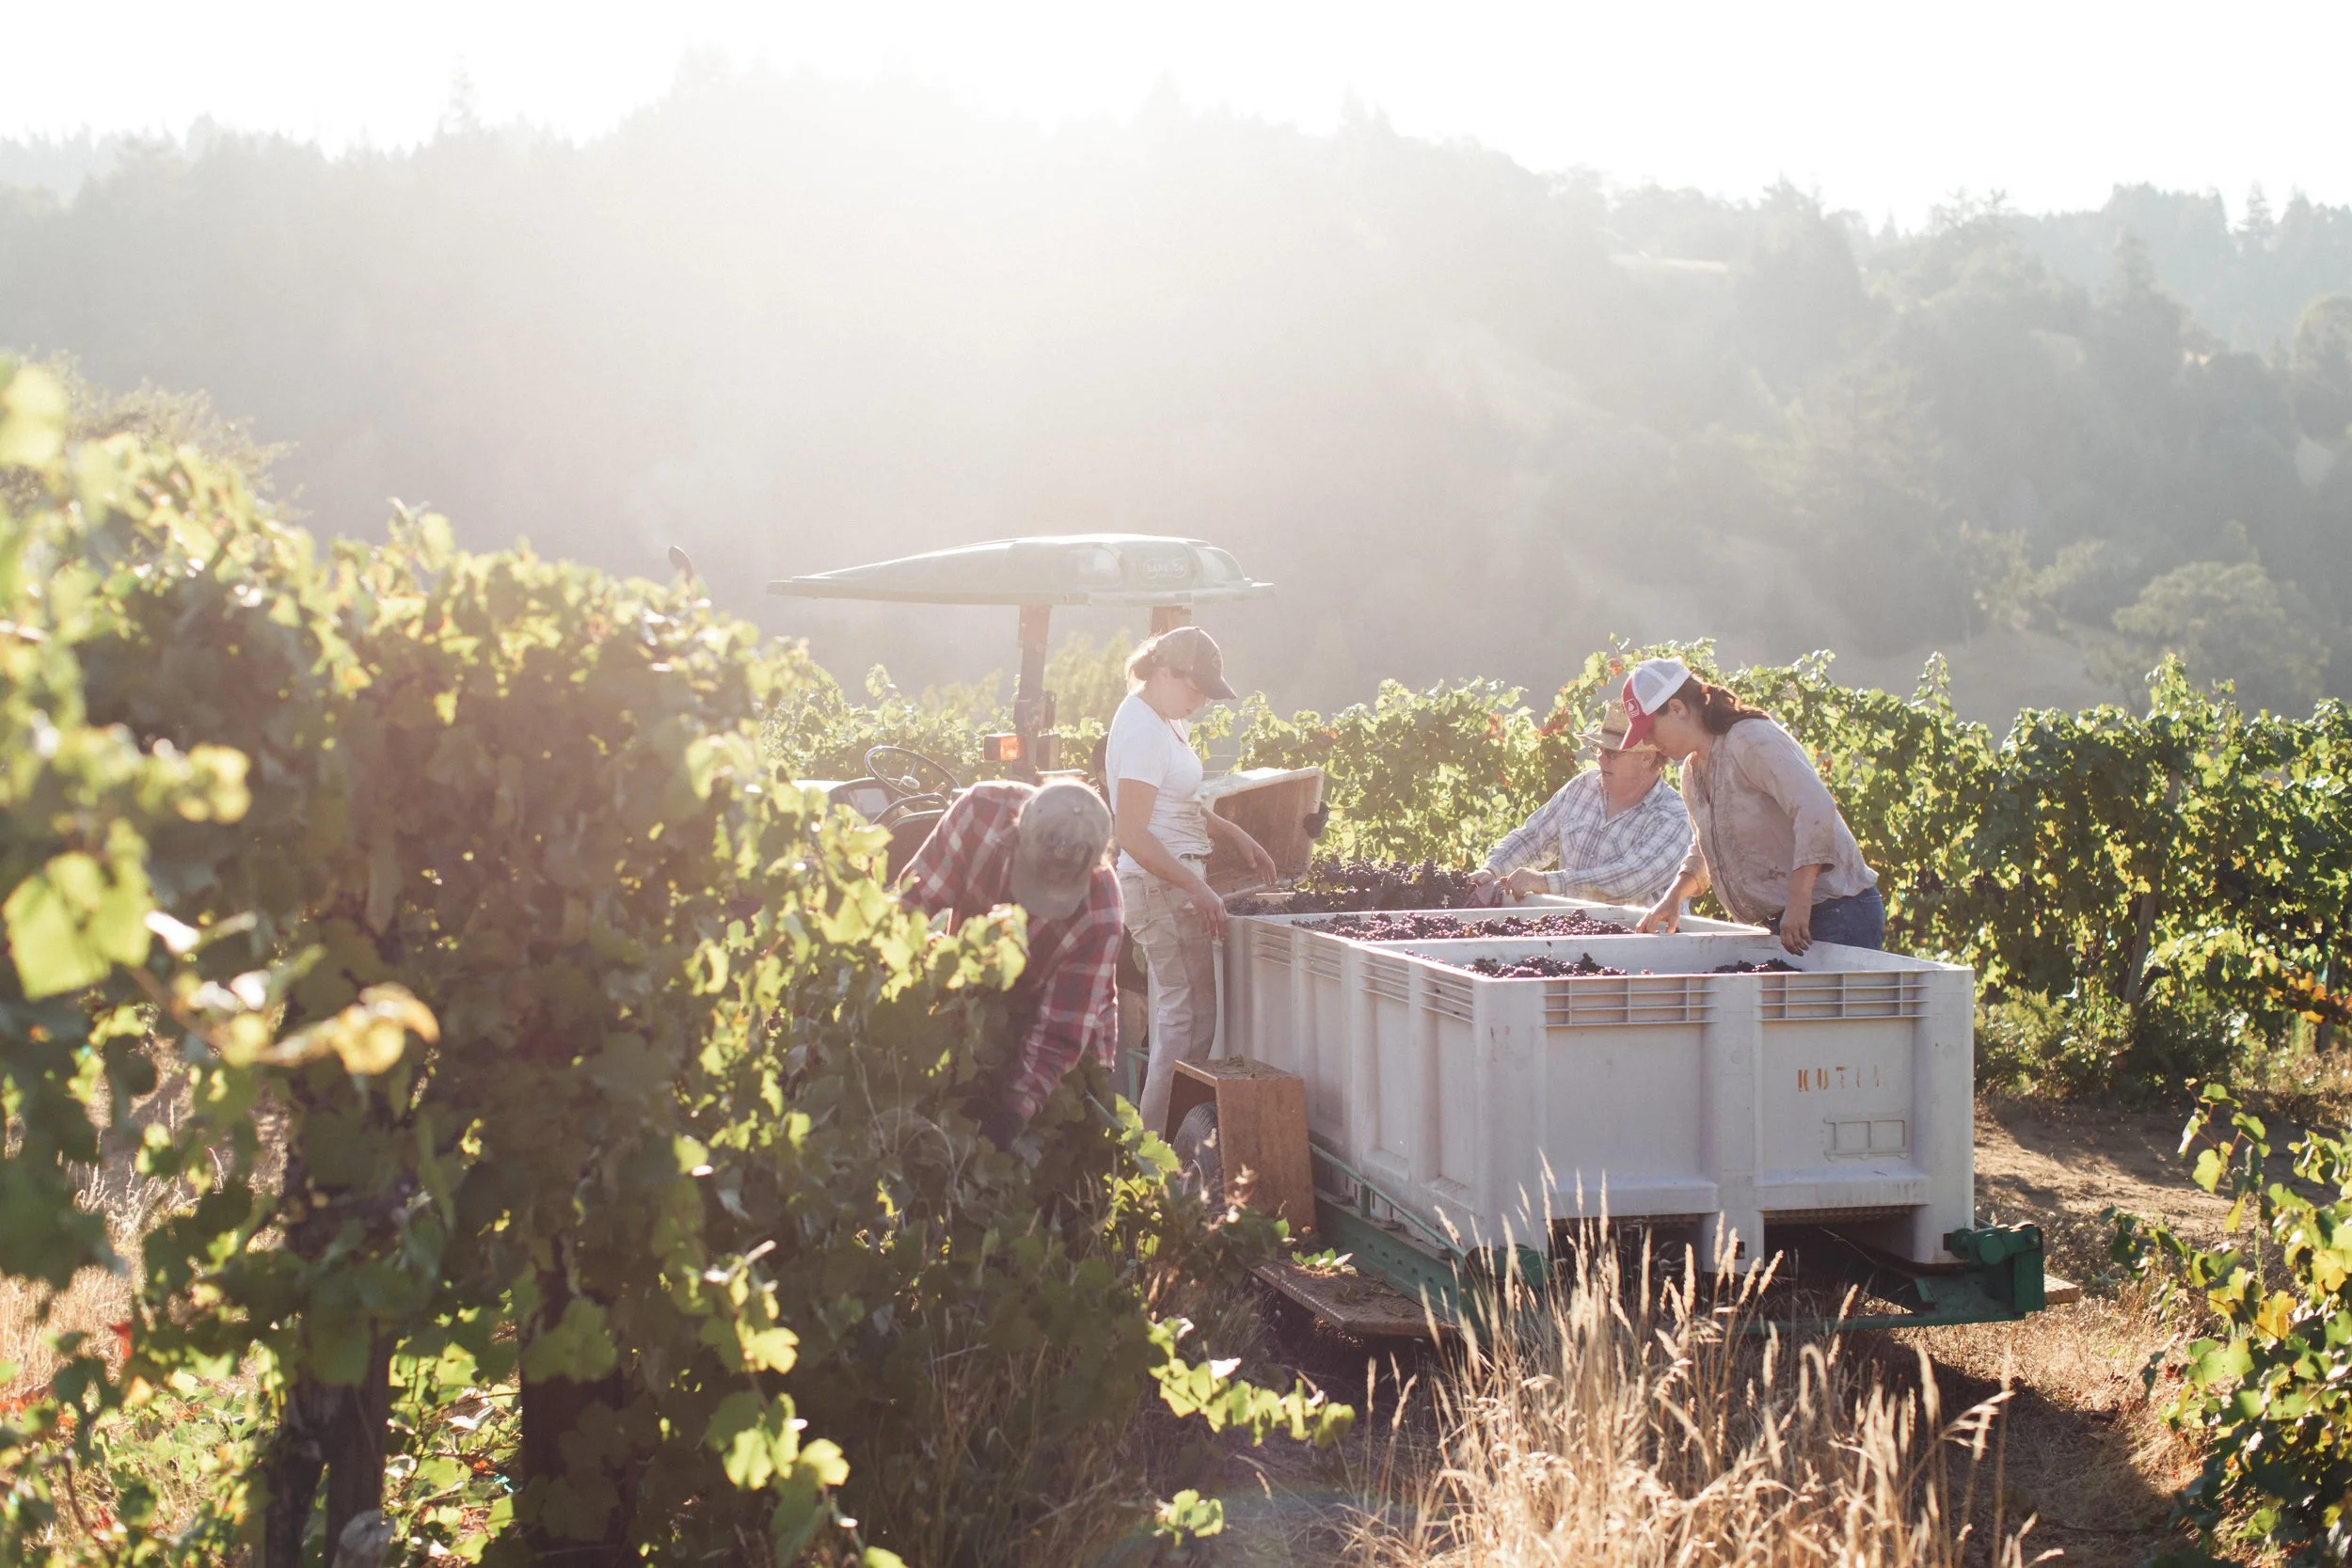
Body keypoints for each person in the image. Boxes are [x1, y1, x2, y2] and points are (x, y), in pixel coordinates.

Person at [1106, 625, 1278, 1135]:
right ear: (1163, 673)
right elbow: (1132, 832)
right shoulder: (1140, 729)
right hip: (1157, 887)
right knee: (1182, 1023)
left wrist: (1232, 833)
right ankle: (1154, 1155)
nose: (1202, 700)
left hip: (1174, 884)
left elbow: (1177, 804)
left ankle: (1173, 1142)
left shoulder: (1165, 720)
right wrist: (1194, 885)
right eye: (1196, 688)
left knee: (1198, 1020)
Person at [898, 778, 1123, 1146]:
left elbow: (1058, 1033)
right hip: (967, 1010)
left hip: (1067, 1033)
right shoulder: (980, 811)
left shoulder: (1101, 914)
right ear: (1016, 833)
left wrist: (1012, 1114)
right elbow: (911, 905)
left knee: (1065, 1164)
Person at [1622, 657, 1884, 954]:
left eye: (1649, 729)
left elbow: (1815, 809)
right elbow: (1708, 847)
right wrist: (1673, 897)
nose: (1647, 740)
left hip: (1833, 914)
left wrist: (1798, 902)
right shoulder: (1693, 773)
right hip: (1785, 923)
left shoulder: (1749, 739)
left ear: (1677, 709)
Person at [1469, 703, 1691, 907]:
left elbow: (1628, 879)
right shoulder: (1582, 787)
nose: (1601, 759)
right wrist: (1493, 869)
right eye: (1599, 750)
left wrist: (1546, 882)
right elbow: (1532, 837)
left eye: (1612, 753)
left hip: (1642, 944)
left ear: (1647, 758)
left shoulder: (1673, 817)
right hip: (1577, 934)